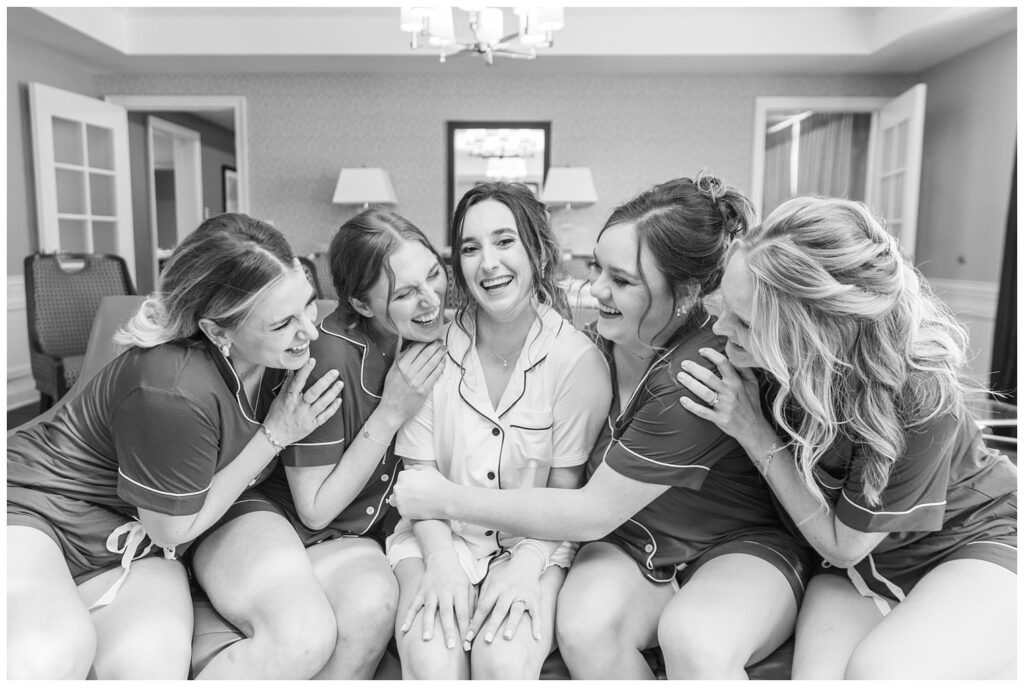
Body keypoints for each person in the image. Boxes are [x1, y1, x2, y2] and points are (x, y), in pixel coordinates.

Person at [391, 174, 814, 679]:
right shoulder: (599, 346)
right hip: (634, 544)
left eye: (622, 280)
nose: (596, 290)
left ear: (685, 294)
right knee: (583, 627)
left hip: (729, 545)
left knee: (695, 640)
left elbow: (589, 511)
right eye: (597, 269)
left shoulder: (698, 372)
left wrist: (439, 498)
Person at [674, 195, 1017, 679]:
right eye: (724, 306)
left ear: (814, 333)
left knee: (879, 672)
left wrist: (754, 432)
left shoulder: (918, 395)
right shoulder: (767, 362)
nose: (719, 326)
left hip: (972, 541)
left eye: (745, 321)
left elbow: (842, 545)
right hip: (863, 565)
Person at [6, 213, 342, 679]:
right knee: (53, 649)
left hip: (135, 541)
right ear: (217, 331)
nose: (309, 330)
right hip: (40, 509)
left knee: (151, 668)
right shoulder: (172, 387)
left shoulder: (281, 358)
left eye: (308, 305)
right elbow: (174, 529)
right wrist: (276, 435)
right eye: (283, 323)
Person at [387, 181, 611, 679]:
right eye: (470, 248)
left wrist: (527, 567)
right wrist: (441, 562)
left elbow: (564, 491)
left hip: (539, 544)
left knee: (503, 662)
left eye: (504, 241)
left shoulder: (578, 362)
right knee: (430, 658)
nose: (487, 262)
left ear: (538, 249)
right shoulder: (430, 351)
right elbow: (419, 484)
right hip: (436, 538)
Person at [236, 208, 449, 678]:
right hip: (297, 527)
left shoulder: (424, 335)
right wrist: (391, 411)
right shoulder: (328, 354)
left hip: (373, 532)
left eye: (435, 274)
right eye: (407, 293)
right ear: (363, 304)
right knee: (372, 604)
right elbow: (314, 508)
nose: (431, 300)